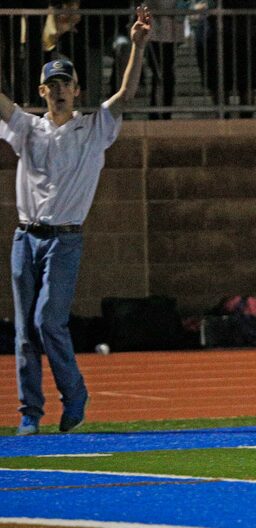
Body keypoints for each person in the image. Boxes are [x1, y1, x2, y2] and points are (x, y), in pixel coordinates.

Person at [0, 6, 152, 436]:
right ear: (42, 91)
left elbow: (126, 94)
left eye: (65, 83)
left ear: (77, 88)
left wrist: (137, 46)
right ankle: (29, 412)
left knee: (49, 319)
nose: (59, 90)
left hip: (64, 239)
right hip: (25, 237)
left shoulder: (94, 129)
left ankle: (75, 396)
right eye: (52, 85)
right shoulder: (27, 129)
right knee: (24, 329)